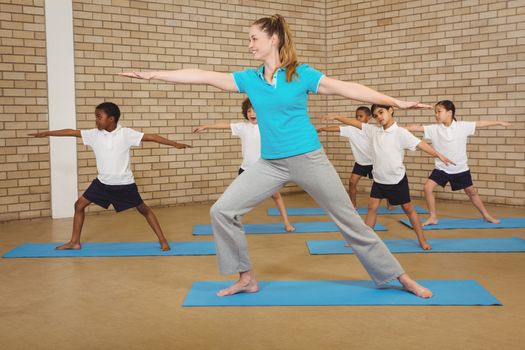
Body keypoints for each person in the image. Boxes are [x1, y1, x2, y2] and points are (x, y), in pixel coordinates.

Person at [119, 14, 434, 298]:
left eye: (254, 38)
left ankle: (399, 276)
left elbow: (346, 88)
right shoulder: (250, 79)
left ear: (274, 39)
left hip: (309, 159)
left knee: (350, 221)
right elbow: (203, 75)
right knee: (222, 211)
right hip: (270, 164)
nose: (249, 44)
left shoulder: (301, 74)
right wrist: (155, 74)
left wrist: (396, 101)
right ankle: (246, 277)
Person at [29, 102, 191, 251]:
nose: (96, 120)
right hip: (102, 183)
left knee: (144, 210)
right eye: (96, 117)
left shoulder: (126, 134)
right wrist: (48, 133)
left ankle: (162, 240)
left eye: (99, 117)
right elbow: (71, 132)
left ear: (111, 119)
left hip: (124, 184)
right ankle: (74, 242)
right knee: (79, 205)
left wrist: (175, 144)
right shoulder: (94, 134)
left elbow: (152, 137)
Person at [321, 104, 454, 250]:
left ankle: (422, 240)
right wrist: (336, 117)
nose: (379, 117)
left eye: (381, 112)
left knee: (408, 209)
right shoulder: (373, 131)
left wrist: (439, 155)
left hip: (396, 180)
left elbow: (421, 144)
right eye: (376, 115)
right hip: (379, 180)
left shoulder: (401, 133)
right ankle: (363, 241)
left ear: (390, 110)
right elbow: (355, 124)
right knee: (372, 207)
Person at [194, 98, 295, 232]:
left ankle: (287, 222)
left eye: (255, 111)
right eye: (249, 111)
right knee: (239, 198)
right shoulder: (243, 127)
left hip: (264, 170)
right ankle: (233, 222)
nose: (252, 114)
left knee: (276, 196)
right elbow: (225, 125)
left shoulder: (268, 126)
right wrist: (206, 126)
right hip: (246, 170)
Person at [404, 100, 511, 226]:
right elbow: (417, 127)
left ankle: (486, 215)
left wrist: (498, 122)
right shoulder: (434, 129)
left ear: (449, 113)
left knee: (471, 192)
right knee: (427, 188)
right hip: (442, 168)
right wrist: (396, 128)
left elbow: (480, 123)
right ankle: (433, 217)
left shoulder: (462, 126)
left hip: (460, 169)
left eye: (439, 111)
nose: (436, 114)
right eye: (435, 112)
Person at [317, 106, 374, 208]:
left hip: (375, 162)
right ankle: (353, 205)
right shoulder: (351, 129)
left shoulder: (371, 129)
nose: (358, 118)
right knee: (352, 182)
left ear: (369, 117)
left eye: (361, 116)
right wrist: (322, 129)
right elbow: (337, 129)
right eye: (356, 116)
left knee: (383, 185)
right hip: (361, 163)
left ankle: (390, 202)